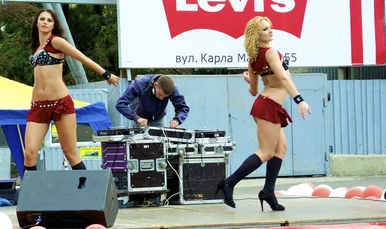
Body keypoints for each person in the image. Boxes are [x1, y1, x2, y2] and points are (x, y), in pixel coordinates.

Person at [214, 16, 312, 211]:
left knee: (280, 148)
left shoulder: (253, 58)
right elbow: (283, 77)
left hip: (268, 104)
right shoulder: (270, 53)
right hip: (268, 106)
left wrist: (248, 79)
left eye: (270, 27)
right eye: (265, 29)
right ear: (256, 34)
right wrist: (299, 100)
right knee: (266, 152)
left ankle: (268, 191)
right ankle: (228, 183)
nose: (270, 31)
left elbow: (253, 91)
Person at [22, 9, 120, 174]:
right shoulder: (36, 47)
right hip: (38, 105)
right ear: (36, 23)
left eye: (49, 20)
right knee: (29, 153)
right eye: (42, 19)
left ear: (54, 25)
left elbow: (81, 57)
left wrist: (106, 74)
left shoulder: (57, 41)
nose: (45, 22)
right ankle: (30, 195)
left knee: (70, 153)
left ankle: (86, 191)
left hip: (60, 103)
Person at [115, 74, 190, 128]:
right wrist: (136, 118)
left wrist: (177, 120)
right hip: (139, 120)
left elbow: (183, 108)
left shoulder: (171, 89)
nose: (161, 99)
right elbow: (120, 104)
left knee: (162, 146)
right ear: (155, 85)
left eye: (165, 97)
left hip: (159, 119)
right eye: (160, 95)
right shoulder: (139, 84)